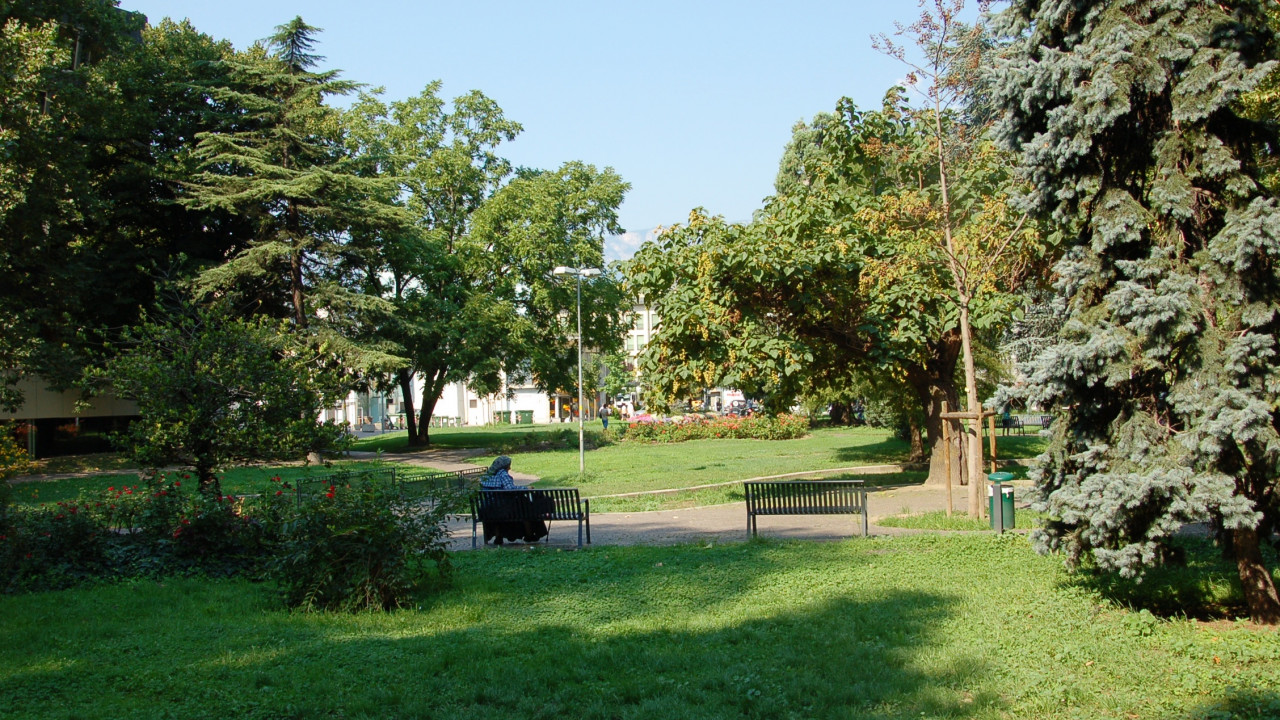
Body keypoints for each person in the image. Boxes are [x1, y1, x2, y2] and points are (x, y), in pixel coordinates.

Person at [479, 456, 548, 545]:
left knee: (499, 513)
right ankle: (529, 534)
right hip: (505, 507)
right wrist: (526, 488)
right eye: (508, 466)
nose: (510, 468)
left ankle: (498, 536)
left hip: (488, 508)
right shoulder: (503, 474)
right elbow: (510, 489)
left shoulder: (486, 477)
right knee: (526, 508)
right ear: (504, 466)